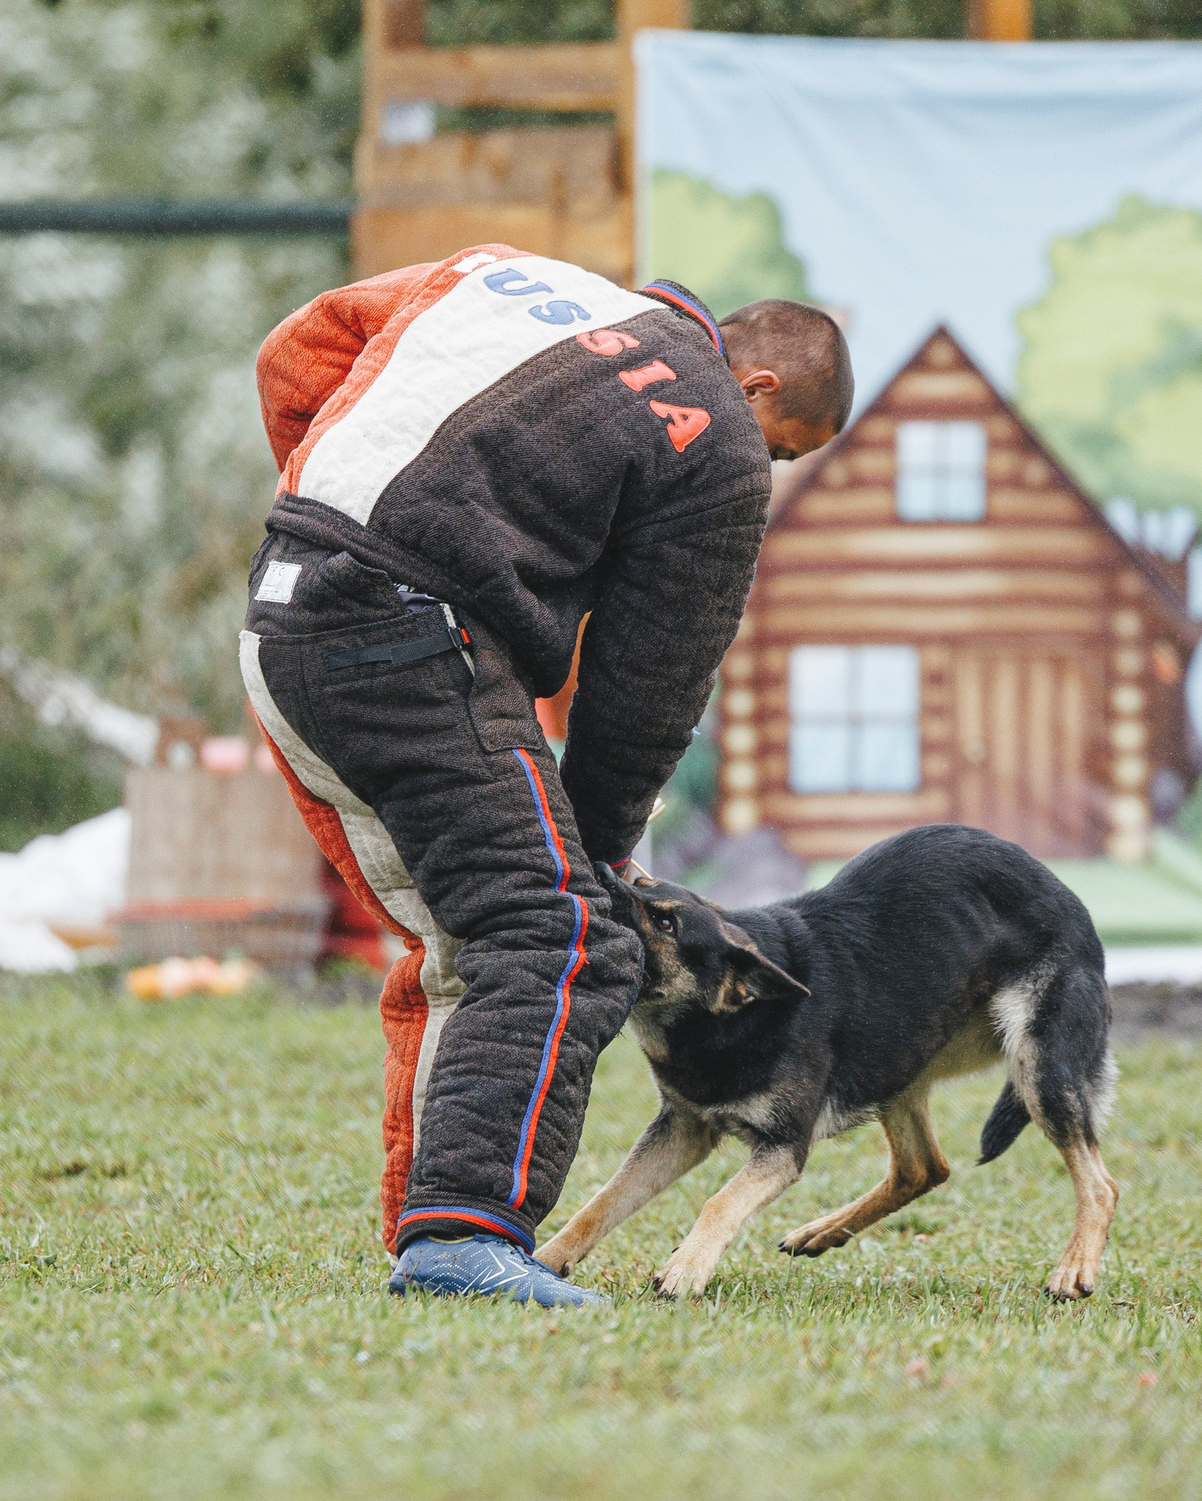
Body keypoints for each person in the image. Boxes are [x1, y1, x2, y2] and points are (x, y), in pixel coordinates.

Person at [245, 249, 851, 1305]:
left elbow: (299, 350)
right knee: (564, 929)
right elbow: (649, 682)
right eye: (786, 450)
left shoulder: (517, 278)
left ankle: (425, 1219)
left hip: (287, 602)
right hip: (410, 635)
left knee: (465, 927)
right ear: (755, 387)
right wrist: (603, 850)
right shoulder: (714, 434)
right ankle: (462, 1241)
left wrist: (332, 503)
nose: (773, 471)